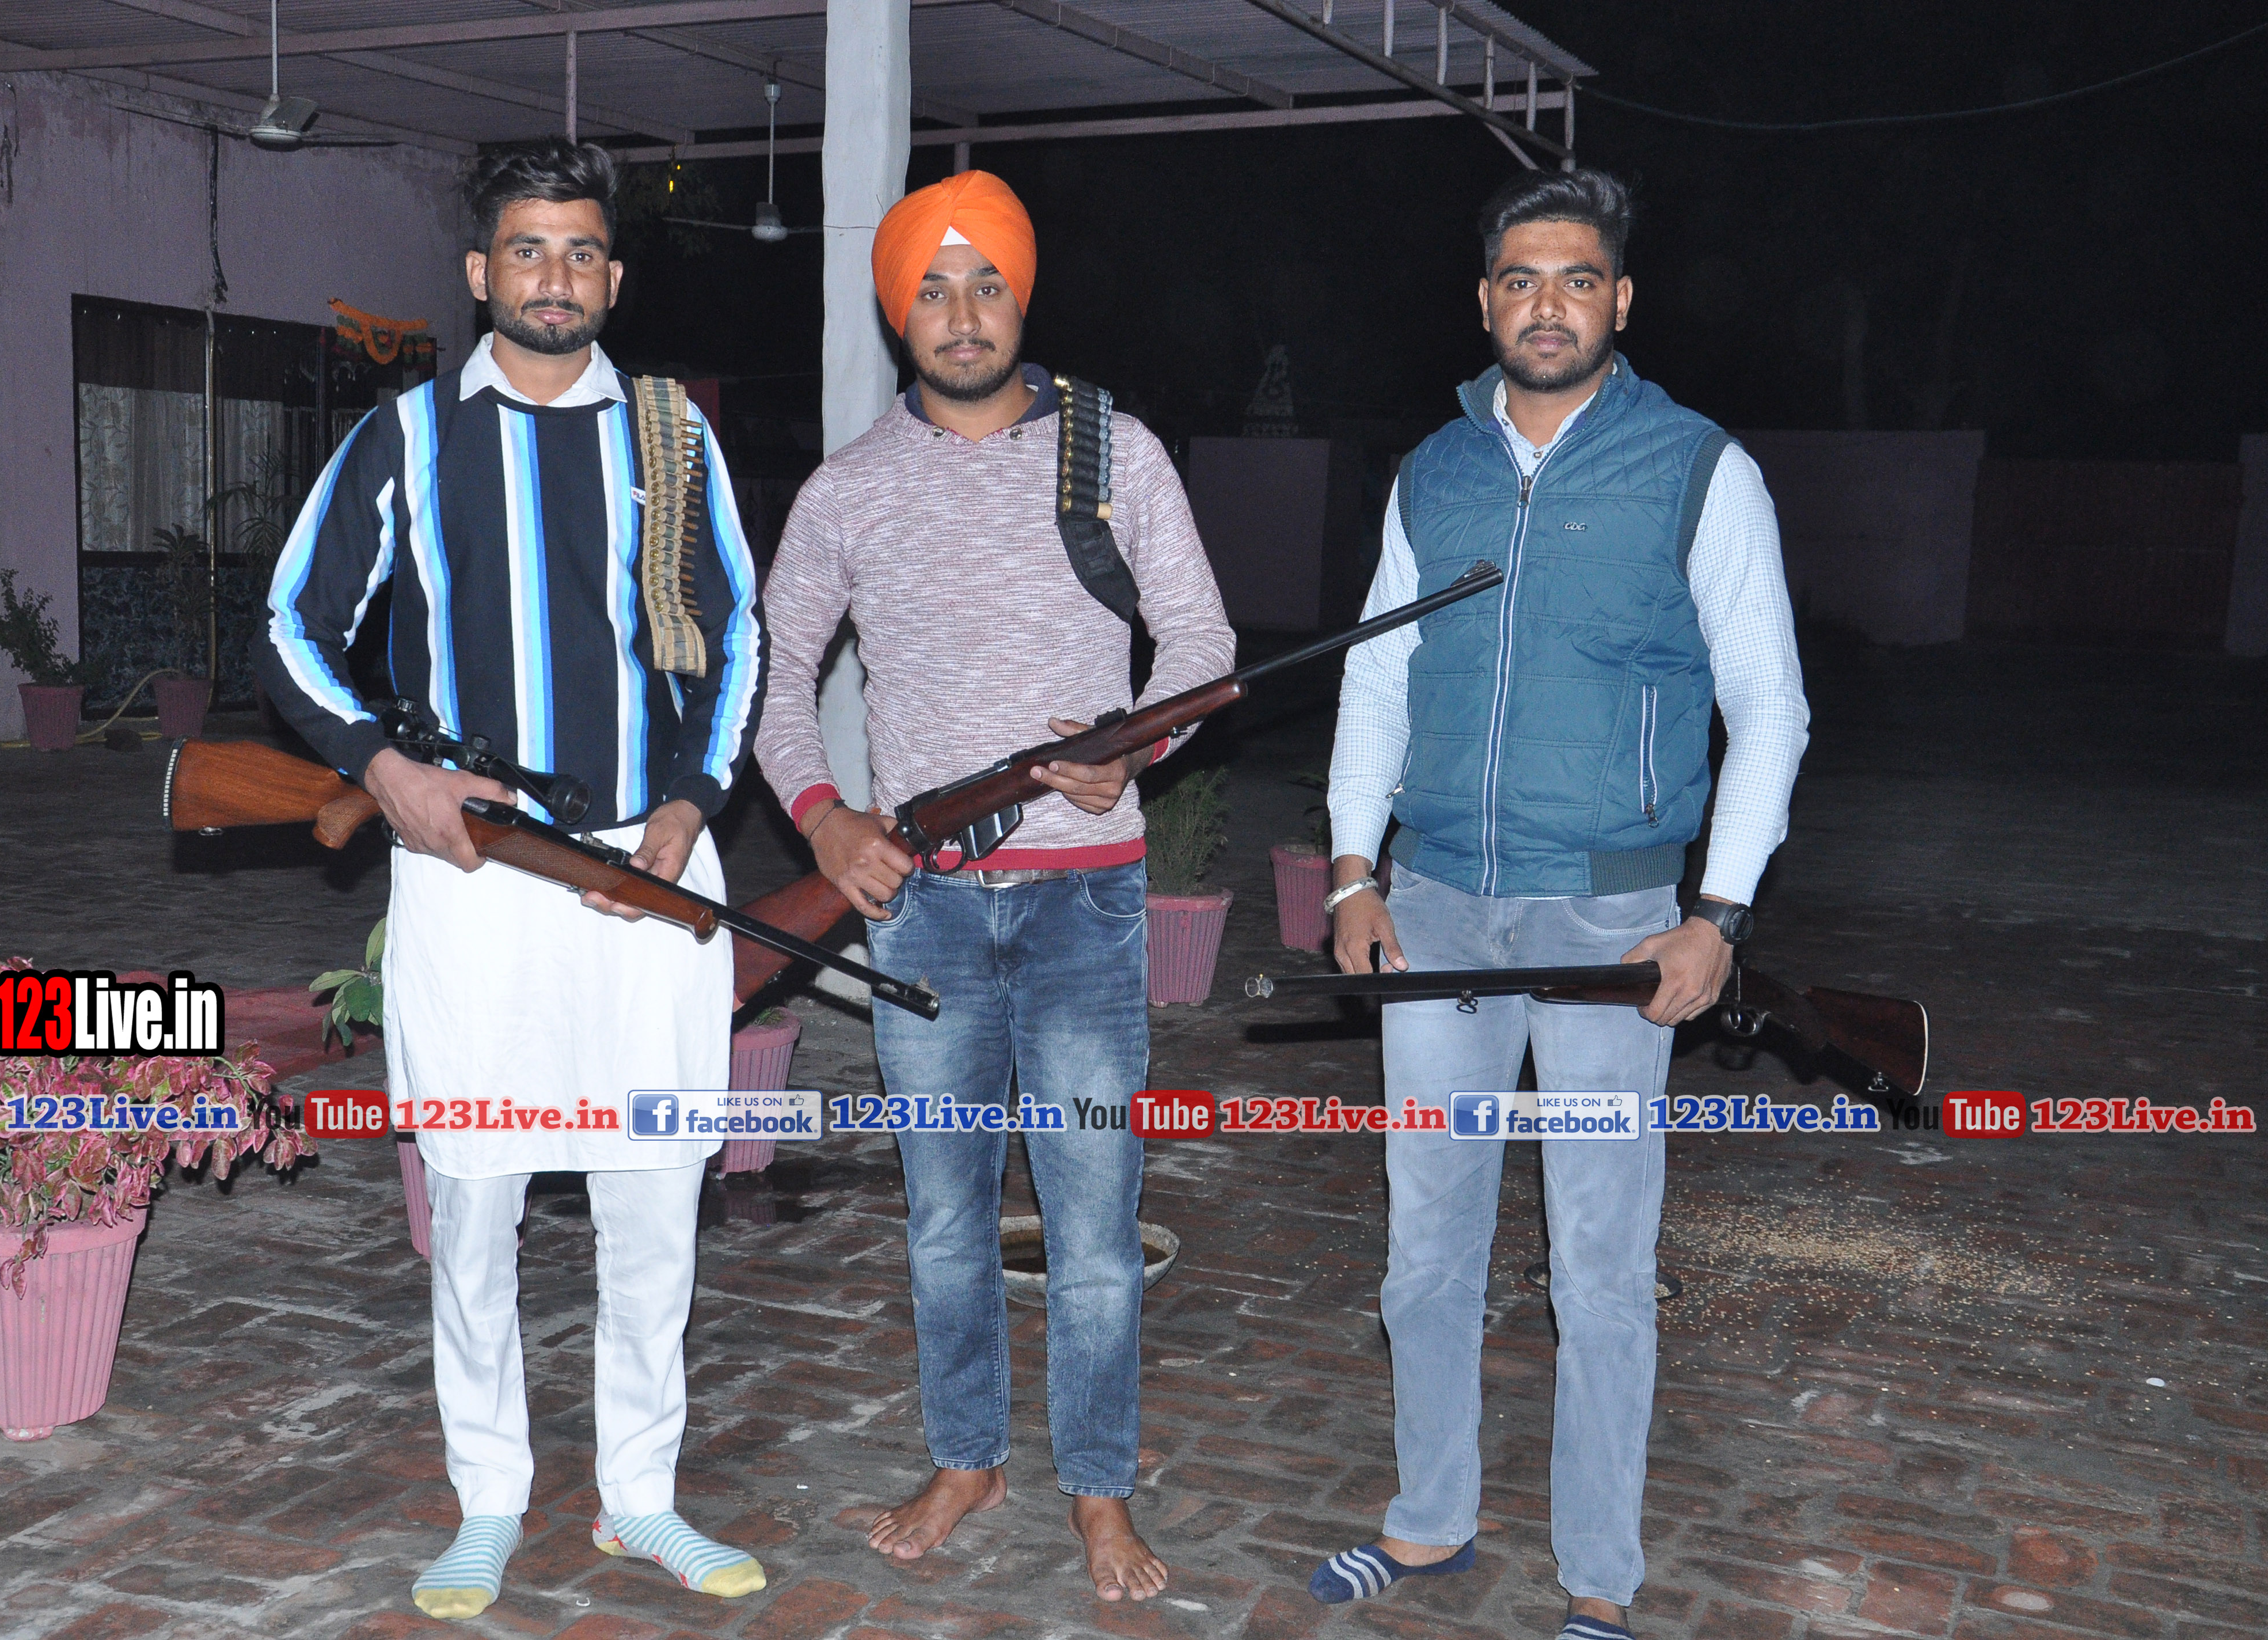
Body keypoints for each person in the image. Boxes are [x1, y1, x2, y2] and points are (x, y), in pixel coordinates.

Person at [254, 139, 768, 1622]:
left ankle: (641, 1495)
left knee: (652, 1198)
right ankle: (487, 1500)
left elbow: (737, 634)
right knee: (475, 1203)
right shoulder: (405, 436)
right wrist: (383, 768)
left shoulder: (672, 436)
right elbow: (289, 625)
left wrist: (690, 802)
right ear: (481, 272)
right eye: (528, 250)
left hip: (645, 870)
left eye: (582, 251)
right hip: (472, 876)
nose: (556, 276)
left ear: (613, 275)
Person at [1312, 169, 1809, 1640]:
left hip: (1609, 923)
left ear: (1619, 301)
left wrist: (1715, 913)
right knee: (1425, 1245)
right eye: (1521, 280)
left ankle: (1599, 1573)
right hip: (1436, 909)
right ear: (1484, 302)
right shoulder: (1431, 472)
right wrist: (1351, 868)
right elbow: (1375, 678)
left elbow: (1767, 705)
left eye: (1577, 279)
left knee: (1597, 1262)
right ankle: (1427, 1517)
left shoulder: (1696, 467)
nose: (1547, 305)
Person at [751, 170, 1235, 1603]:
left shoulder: (1113, 451)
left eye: (986, 284)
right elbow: (772, 684)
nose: (960, 314)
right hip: (927, 909)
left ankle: (1098, 1488)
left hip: (1088, 901)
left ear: (1021, 299)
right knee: (946, 1216)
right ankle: (966, 1458)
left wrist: (1136, 742)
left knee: (1093, 1222)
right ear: (896, 311)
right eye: (930, 288)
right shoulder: (847, 488)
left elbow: (1199, 641)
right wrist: (824, 820)